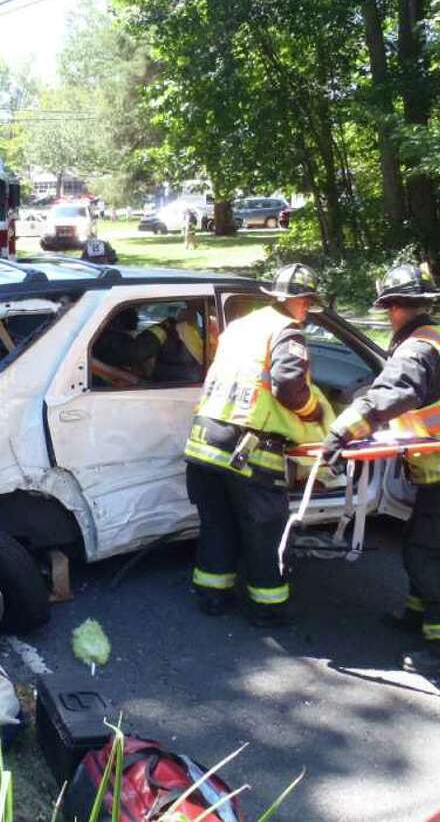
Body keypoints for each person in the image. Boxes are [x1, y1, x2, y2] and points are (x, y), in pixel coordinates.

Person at [322, 264, 440, 675]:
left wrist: (341, 431)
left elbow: (391, 396)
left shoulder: (416, 350)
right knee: (423, 547)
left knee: (435, 558)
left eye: (388, 311)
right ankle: (420, 615)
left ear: (394, 308)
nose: (389, 318)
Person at [184, 263, 330, 625]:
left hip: (205, 440)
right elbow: (288, 386)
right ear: (300, 300)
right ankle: (267, 609)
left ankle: (211, 596)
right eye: (308, 304)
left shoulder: (241, 327)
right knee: (264, 532)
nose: (307, 312)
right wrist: (314, 413)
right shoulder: (286, 331)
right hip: (248, 450)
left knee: (218, 524)